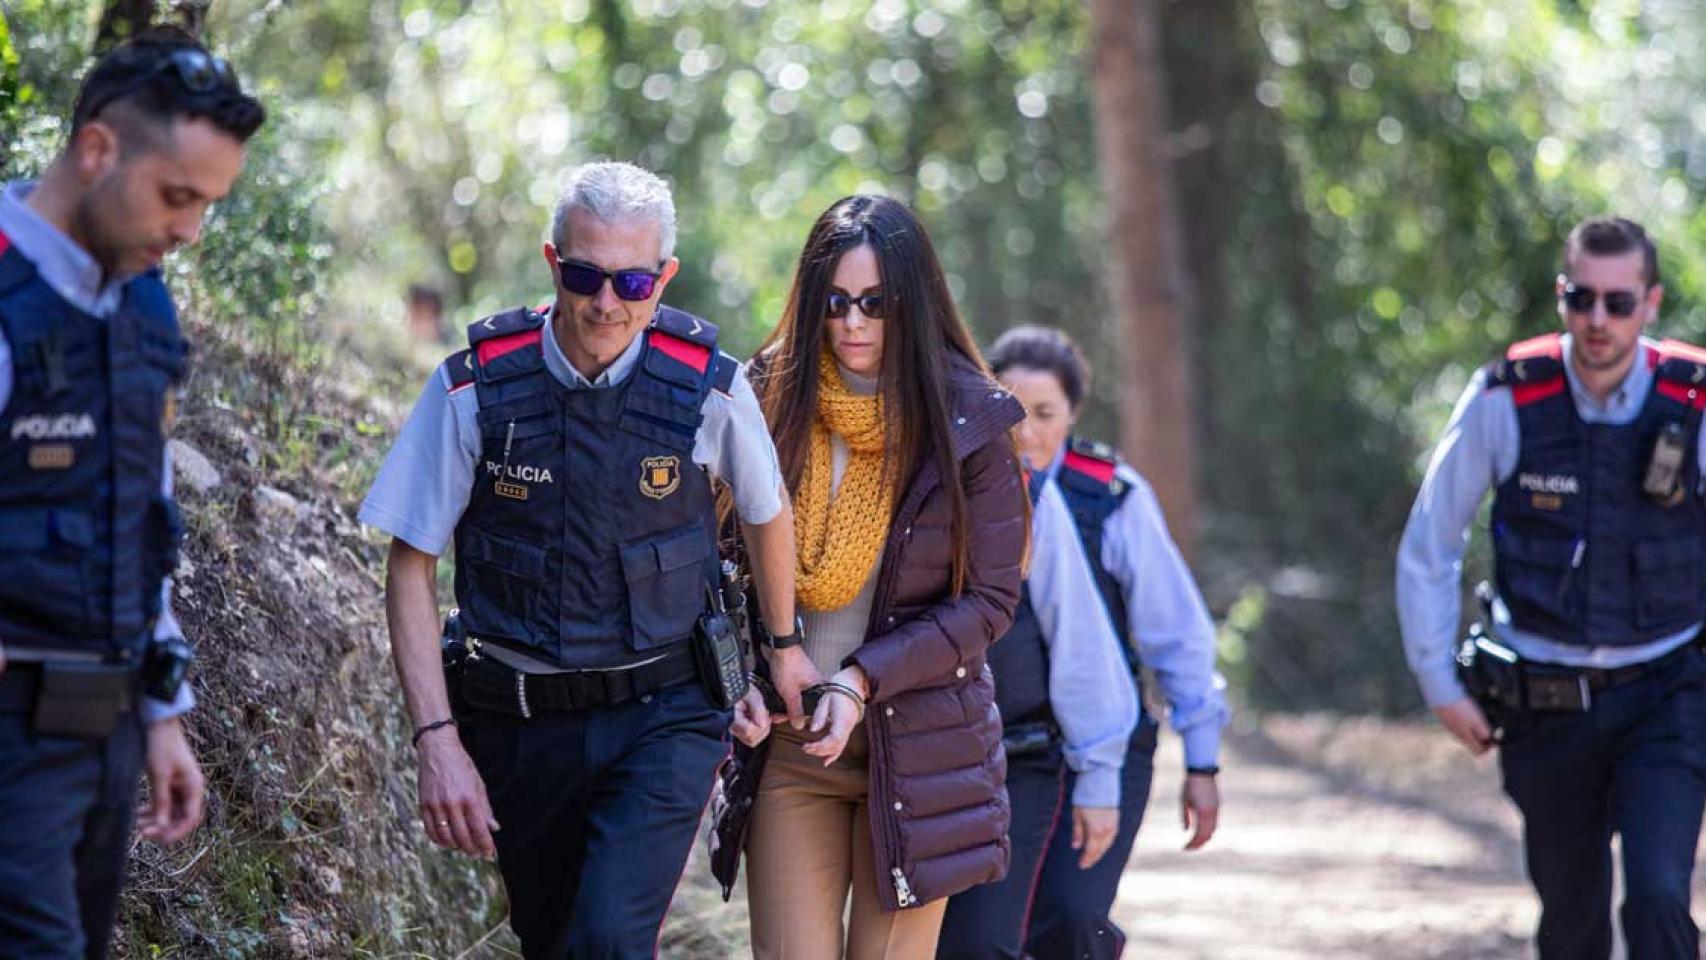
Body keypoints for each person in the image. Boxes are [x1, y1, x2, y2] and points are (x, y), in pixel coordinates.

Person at [359, 161, 798, 958]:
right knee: (553, 939)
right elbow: (410, 563)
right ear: (552, 263)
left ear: (664, 278)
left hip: (665, 715)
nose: (607, 302)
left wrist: (782, 648)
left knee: (605, 940)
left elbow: (768, 514)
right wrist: (436, 739)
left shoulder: (711, 387)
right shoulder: (474, 389)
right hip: (519, 724)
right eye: (586, 275)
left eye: (633, 281)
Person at [0, 27, 263, 959]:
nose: (189, 231)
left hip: (105, 734)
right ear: (97, 148)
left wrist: (160, 712)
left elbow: (140, 517)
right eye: (177, 196)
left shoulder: (144, 302)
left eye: (208, 206)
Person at [1398, 216, 1706, 960]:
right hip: (1546, 706)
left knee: (1659, 896)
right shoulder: (1506, 397)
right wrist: (1439, 682)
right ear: (1561, 295)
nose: (1597, 319)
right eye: (1581, 298)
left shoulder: (1694, 399)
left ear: (1650, 303)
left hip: (1666, 694)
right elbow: (1431, 544)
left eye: (1618, 302)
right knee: (1571, 921)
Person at [736, 194, 1030, 960]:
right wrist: (743, 671)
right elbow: (721, 559)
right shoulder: (766, 394)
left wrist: (861, 679)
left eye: (876, 302)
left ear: (914, 302)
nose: (854, 323)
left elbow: (990, 601)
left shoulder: (971, 420)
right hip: (794, 745)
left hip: (920, 753)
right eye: (835, 303)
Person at [988, 325, 1229, 959]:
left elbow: (1177, 635)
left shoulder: (1112, 496)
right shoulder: (972, 488)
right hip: (1007, 747)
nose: (1026, 432)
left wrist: (1202, 763)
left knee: (1071, 917)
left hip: (1106, 746)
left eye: (1045, 414)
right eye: (1012, 411)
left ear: (1073, 413)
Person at [935, 459, 1138, 959]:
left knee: (982, 944)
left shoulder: (1030, 492)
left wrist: (1099, 777)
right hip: (902, 758)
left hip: (1015, 759)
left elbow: (1080, 644)